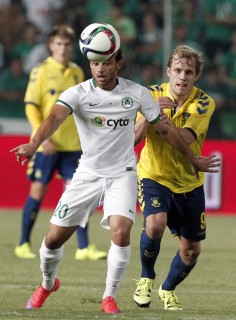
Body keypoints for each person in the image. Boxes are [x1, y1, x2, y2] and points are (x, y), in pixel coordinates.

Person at [10, 32, 220, 314]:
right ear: (90, 65)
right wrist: (33, 144)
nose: (100, 68)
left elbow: (167, 132)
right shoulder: (78, 93)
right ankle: (48, 283)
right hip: (87, 173)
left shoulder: (137, 93)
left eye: (106, 62)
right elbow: (54, 118)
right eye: (95, 63)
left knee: (122, 234)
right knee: (52, 241)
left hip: (122, 173)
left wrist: (193, 158)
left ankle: (109, 296)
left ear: (117, 64)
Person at [133, 45, 217, 311]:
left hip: (189, 183)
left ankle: (167, 289)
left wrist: (162, 122)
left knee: (191, 251)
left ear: (196, 77)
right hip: (153, 175)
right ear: (168, 71)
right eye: (178, 70)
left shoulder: (204, 102)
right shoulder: (149, 95)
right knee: (155, 225)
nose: (182, 77)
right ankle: (146, 278)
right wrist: (149, 113)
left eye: (189, 72)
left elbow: (185, 140)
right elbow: (133, 139)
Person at [14, 24, 107, 261]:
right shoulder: (41, 71)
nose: (63, 48)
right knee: (39, 189)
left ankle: (84, 247)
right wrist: (40, 137)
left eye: (67, 44)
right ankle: (23, 243)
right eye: (58, 44)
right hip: (47, 144)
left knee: (79, 194)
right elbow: (31, 106)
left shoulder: (76, 72)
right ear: (50, 46)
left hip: (74, 145)